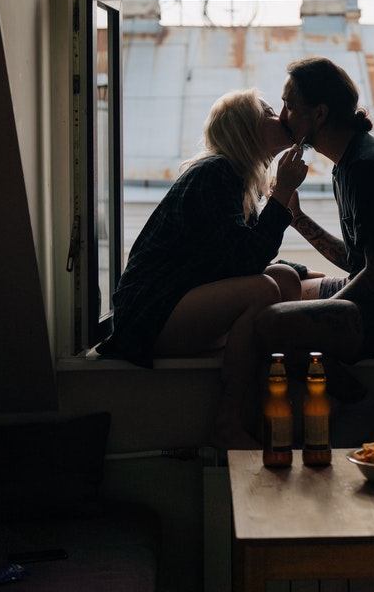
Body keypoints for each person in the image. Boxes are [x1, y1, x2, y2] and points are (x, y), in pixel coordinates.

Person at [95, 87, 318, 450]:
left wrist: (303, 272)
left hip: (179, 303)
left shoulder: (237, 178)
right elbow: (244, 262)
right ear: (246, 129)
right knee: (263, 289)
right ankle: (228, 423)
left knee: (286, 281)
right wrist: (281, 195)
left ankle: (272, 414)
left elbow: (236, 254)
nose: (280, 117)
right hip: (149, 316)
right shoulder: (215, 173)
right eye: (267, 112)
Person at [255, 56, 374, 429]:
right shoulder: (354, 160)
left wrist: (324, 311)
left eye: (289, 104)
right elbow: (363, 261)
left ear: (319, 114)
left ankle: (360, 402)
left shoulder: (366, 169)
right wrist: (300, 220)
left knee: (272, 323)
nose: (283, 115)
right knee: (285, 287)